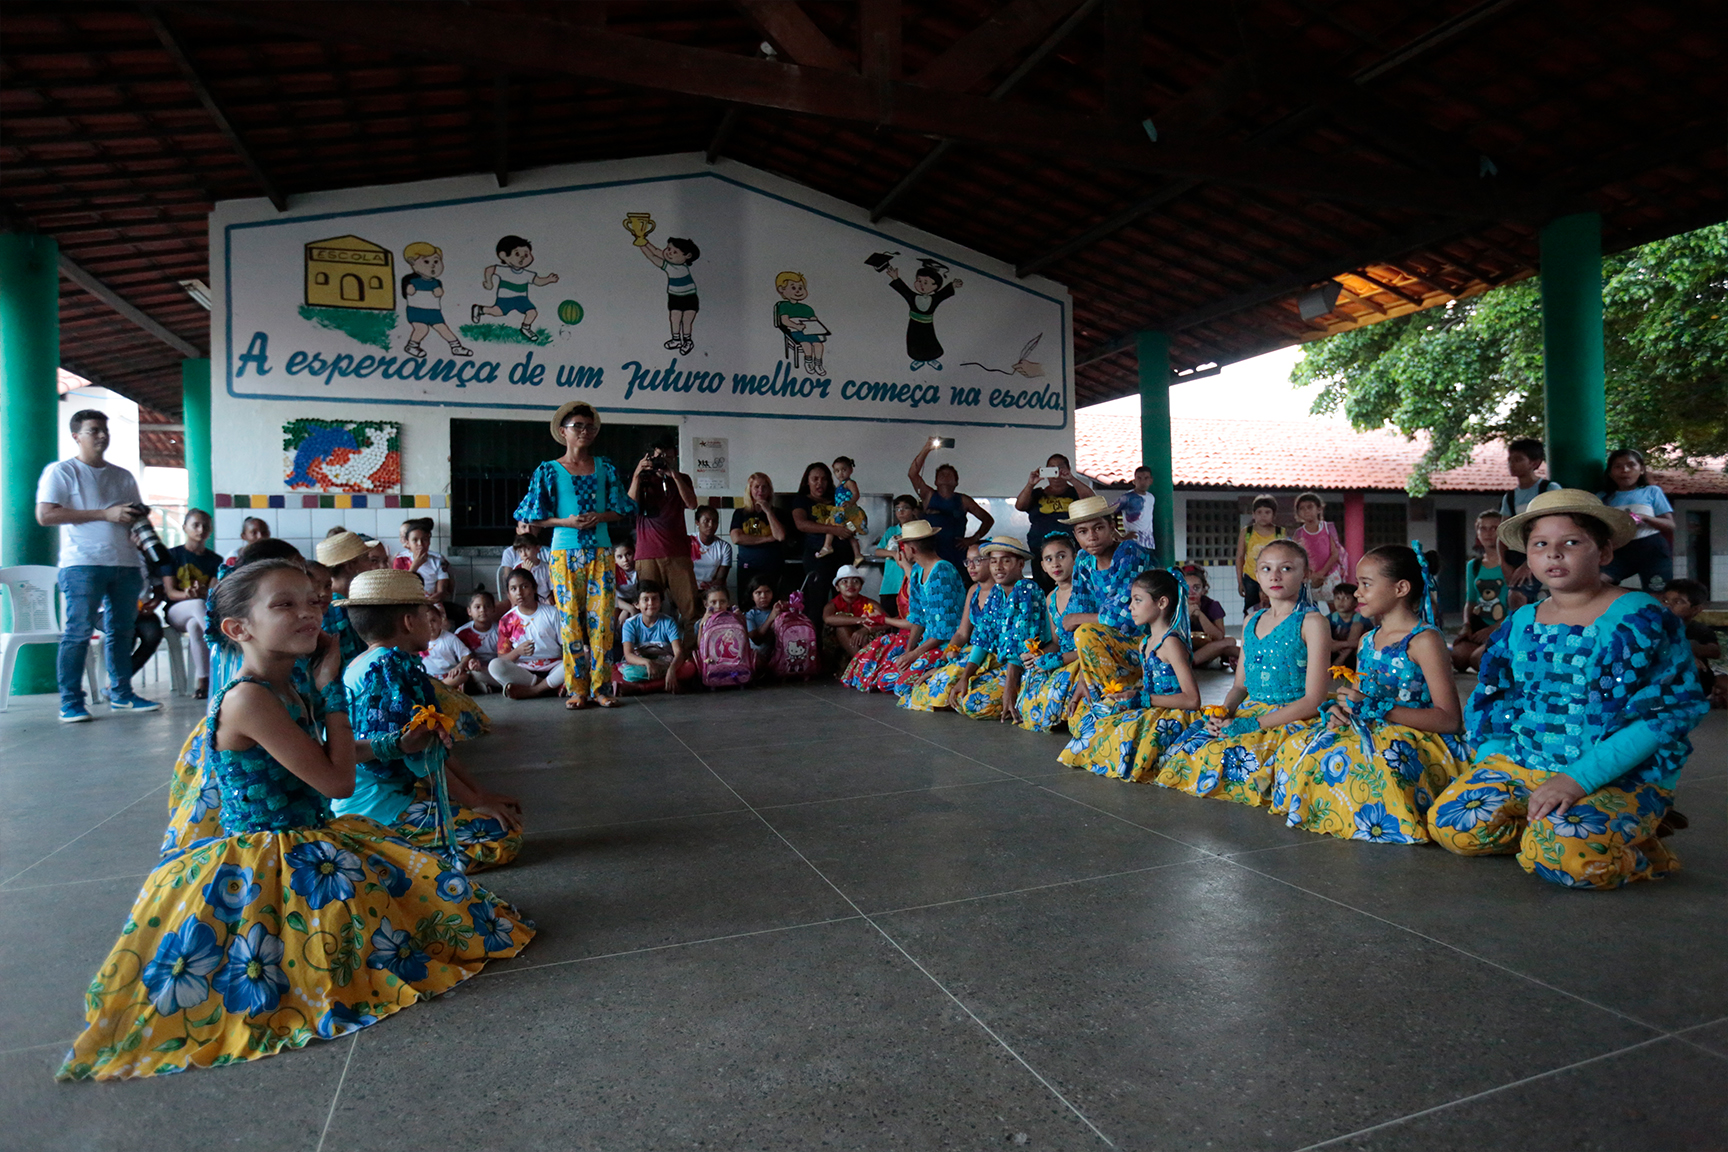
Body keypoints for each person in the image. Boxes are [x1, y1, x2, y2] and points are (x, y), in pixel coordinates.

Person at [59, 560, 531, 1080]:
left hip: (311, 831)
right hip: (268, 852)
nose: (308, 614)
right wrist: (332, 690)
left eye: (312, 602)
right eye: (285, 604)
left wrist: (397, 743)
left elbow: (324, 751)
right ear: (238, 628)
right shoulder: (249, 698)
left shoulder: (285, 684)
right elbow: (336, 782)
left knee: (432, 908)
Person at [1429, 490, 1707, 889]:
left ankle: (1636, 846)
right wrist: (1492, 761)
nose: (1554, 554)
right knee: (1453, 826)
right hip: (1523, 762)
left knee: (1569, 859)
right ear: (1528, 557)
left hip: (1613, 774)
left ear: (1605, 552)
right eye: (1540, 545)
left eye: (1571, 542)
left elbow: (1666, 714)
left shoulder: (1641, 618)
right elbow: (1496, 696)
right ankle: (1552, 831)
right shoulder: (1521, 620)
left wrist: (1578, 780)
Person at [1272, 546, 1464, 843]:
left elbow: (1450, 720)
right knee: (1296, 746)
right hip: (1371, 727)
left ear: (1401, 588)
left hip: (1415, 734)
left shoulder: (1424, 641)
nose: (1357, 593)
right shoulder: (1366, 640)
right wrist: (1342, 709)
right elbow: (1360, 696)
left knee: (1374, 763)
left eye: (1366, 584)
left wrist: (1379, 709)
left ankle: (1373, 820)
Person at [337, 568, 519, 864]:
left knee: (493, 816)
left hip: (381, 794)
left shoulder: (364, 661)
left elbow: (436, 749)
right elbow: (420, 756)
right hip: (374, 808)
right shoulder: (389, 671)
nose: (434, 623)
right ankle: (379, 854)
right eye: (426, 615)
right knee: (501, 836)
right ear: (409, 622)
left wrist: (480, 795)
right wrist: (474, 803)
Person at [1156, 539, 1330, 806]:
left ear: (1305, 574)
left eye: (1286, 568)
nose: (1275, 576)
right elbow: (1240, 686)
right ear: (1256, 574)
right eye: (1266, 568)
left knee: (1240, 762)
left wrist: (1253, 724)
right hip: (1250, 710)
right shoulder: (1252, 621)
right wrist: (1224, 712)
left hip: (1293, 717)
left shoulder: (1312, 622)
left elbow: (1314, 700)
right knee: (1192, 753)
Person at [34, 408, 160, 721]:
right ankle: (71, 702)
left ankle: (122, 694)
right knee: (78, 632)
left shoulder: (123, 475)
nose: (102, 436)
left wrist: (139, 526)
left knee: (122, 632)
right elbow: (45, 515)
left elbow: (131, 516)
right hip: (82, 563)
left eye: (105, 430)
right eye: (94, 430)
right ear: (76, 436)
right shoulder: (62, 472)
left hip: (126, 563)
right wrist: (105, 514)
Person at [514, 400, 635, 709]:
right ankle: (577, 689)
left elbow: (622, 509)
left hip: (601, 552)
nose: (584, 431)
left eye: (589, 426)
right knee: (569, 622)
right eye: (577, 426)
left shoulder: (605, 467)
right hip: (563, 554)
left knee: (603, 622)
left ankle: (602, 688)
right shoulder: (548, 470)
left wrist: (600, 517)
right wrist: (565, 522)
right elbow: (532, 516)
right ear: (562, 431)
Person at [1060, 569, 1203, 781]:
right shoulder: (1145, 643)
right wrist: (1129, 697)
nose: (1130, 607)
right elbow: (1147, 687)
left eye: (1138, 600)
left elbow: (1192, 700)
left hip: (1174, 714)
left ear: (1162, 603)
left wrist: (1143, 699)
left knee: (1127, 732)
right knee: (1098, 716)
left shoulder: (1171, 643)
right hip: (1152, 708)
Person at [1062, 495, 1157, 703]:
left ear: (1112, 526)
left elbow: (1124, 618)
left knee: (1085, 632)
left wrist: (1077, 619)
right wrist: (1083, 672)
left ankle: (1116, 700)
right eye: (1083, 532)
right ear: (1075, 536)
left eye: (1098, 528)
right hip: (1105, 644)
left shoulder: (1130, 553)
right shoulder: (1084, 561)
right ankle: (1102, 697)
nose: (1092, 537)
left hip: (1147, 643)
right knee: (1058, 690)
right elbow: (1076, 611)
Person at [951, 537, 1045, 721]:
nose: (998, 567)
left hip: (1028, 666)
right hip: (1004, 665)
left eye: (1006, 561)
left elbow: (1019, 643)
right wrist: (965, 677)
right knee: (959, 694)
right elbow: (983, 636)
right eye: (993, 561)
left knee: (975, 705)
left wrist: (1010, 690)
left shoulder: (1027, 589)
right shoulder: (997, 592)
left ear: (1020, 564)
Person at [1013, 534, 1097, 731]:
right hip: (1064, 659)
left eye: (1061, 556)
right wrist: (1039, 655)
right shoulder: (1050, 598)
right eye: (1049, 559)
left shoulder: (1088, 589)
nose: (1055, 564)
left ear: (1075, 558)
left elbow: (1099, 638)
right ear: (1043, 566)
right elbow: (1056, 643)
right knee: (1032, 679)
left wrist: (1060, 659)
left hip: (1088, 658)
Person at [903, 542, 998, 712]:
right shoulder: (973, 590)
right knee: (925, 687)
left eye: (978, 560)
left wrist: (959, 671)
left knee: (965, 700)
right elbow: (961, 633)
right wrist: (944, 660)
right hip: (972, 652)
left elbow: (985, 640)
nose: (971, 566)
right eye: (968, 562)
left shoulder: (1001, 591)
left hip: (993, 655)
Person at [880, 520, 966, 695]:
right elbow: (918, 617)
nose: (902, 551)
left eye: (903, 546)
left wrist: (915, 654)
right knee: (884, 680)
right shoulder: (917, 570)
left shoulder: (941, 571)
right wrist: (909, 651)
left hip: (948, 646)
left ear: (912, 549)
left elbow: (945, 631)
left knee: (901, 687)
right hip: (927, 644)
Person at [629, 440, 700, 628]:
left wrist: (674, 475)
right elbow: (629, 506)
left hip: (678, 552)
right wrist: (637, 473)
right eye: (659, 456)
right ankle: (650, 644)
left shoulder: (682, 479)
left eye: (668, 456)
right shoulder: (643, 479)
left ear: (675, 457)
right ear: (651, 456)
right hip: (648, 553)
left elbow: (692, 504)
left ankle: (689, 645)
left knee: (690, 608)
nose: (663, 460)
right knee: (648, 608)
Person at [161, 507, 221, 697]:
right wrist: (189, 594)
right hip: (176, 611)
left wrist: (202, 592)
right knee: (197, 605)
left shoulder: (215, 560)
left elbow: (212, 594)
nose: (201, 530)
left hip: (199, 612)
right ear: (184, 527)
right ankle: (221, 644)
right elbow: (170, 593)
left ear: (210, 530)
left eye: (205, 526)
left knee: (195, 625)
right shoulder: (171, 555)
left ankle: (203, 682)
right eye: (195, 525)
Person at [907, 440, 993, 571]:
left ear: (956, 482)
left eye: (948, 475)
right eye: (941, 475)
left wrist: (973, 538)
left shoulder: (964, 500)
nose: (944, 477)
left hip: (956, 552)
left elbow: (988, 519)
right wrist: (927, 448)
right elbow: (912, 474)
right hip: (932, 551)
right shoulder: (929, 495)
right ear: (935, 481)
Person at [1598, 448, 1675, 593]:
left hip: (1651, 548)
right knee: (1597, 583)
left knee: (1657, 593)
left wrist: (1645, 517)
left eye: (1631, 465)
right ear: (1610, 472)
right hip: (1618, 550)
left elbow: (1670, 525)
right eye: (1618, 466)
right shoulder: (1602, 497)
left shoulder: (1652, 491)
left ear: (1641, 470)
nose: (1625, 470)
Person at [1497, 437, 1562, 604]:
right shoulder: (1510, 497)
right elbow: (1503, 532)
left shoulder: (1549, 489)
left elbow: (1558, 527)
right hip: (1518, 552)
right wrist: (1503, 563)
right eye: (1510, 460)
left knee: (1517, 597)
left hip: (1546, 551)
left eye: (1518, 459)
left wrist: (1529, 563)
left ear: (1535, 463)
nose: (1511, 464)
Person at [1015, 453, 1096, 587]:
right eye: (1051, 468)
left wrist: (1071, 479)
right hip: (1040, 548)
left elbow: (1091, 500)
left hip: (1071, 549)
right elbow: (1020, 506)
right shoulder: (1038, 493)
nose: (1056, 472)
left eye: (1060, 468)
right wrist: (1030, 484)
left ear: (1068, 469)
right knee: (1043, 585)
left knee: (1074, 583)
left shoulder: (1075, 492)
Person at [488, 568, 568, 700]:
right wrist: (517, 652)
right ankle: (550, 687)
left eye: (524, 587)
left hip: (554, 667)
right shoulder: (506, 620)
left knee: (581, 655)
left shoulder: (552, 613)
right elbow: (502, 658)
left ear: (534, 588)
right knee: (494, 665)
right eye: (513, 589)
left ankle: (534, 690)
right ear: (508, 594)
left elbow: (566, 647)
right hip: (525, 672)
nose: (519, 593)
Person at [790, 461, 856, 607]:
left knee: (845, 601)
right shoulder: (801, 500)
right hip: (817, 556)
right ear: (807, 481)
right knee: (817, 601)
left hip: (843, 555)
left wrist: (853, 527)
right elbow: (801, 524)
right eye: (815, 479)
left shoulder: (837, 498)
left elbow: (852, 517)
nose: (820, 483)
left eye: (824, 479)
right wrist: (833, 530)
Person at [315, 531, 380, 672]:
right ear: (350, 566)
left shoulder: (331, 602)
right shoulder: (339, 607)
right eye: (366, 558)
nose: (371, 565)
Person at [619, 580, 696, 692]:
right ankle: (663, 684)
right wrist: (647, 662)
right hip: (641, 664)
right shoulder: (630, 624)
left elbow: (679, 652)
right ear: (636, 604)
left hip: (665, 662)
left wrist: (672, 670)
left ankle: (641, 687)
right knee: (630, 672)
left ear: (661, 602)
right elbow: (628, 655)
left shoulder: (668, 622)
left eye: (655, 599)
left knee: (690, 668)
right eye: (645, 599)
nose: (651, 603)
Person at [729, 471, 790, 597]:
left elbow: (780, 536)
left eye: (764, 487)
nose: (760, 490)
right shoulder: (740, 513)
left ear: (769, 490)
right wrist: (767, 538)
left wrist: (768, 511)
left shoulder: (778, 513)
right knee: (747, 602)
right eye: (756, 487)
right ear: (750, 490)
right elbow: (737, 538)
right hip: (748, 567)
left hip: (773, 567)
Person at [1662, 580, 1720, 704]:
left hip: (1696, 685)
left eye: (1678, 602)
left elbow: (1715, 651)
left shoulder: (1698, 629)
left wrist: (1691, 648)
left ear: (1696, 609)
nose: (1668, 606)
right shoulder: (1656, 627)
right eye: (1665, 601)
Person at [1234, 495, 1285, 617]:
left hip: (1273, 577)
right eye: (1259, 512)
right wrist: (1240, 581)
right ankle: (1250, 628)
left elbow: (1284, 557)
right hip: (1251, 578)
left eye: (1267, 512)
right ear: (1253, 514)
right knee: (1250, 610)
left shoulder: (1279, 532)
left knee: (1275, 608)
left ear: (1274, 515)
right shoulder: (1247, 532)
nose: (1263, 515)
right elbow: (1240, 557)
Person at [823, 565, 888, 662]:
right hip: (840, 642)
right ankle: (861, 662)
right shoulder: (832, 605)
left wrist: (866, 630)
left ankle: (864, 663)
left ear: (861, 587)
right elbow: (828, 619)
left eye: (855, 581)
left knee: (865, 637)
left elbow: (887, 621)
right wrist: (862, 620)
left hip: (866, 638)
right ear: (837, 587)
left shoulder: (869, 603)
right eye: (844, 581)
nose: (850, 585)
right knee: (842, 628)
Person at [1182, 566, 1237, 671]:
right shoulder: (1175, 607)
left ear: (1204, 590)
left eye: (1196, 588)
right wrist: (1187, 615)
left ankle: (1192, 661)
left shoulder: (1212, 605)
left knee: (1230, 641)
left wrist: (1199, 614)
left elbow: (1219, 637)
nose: (1191, 592)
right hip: (1183, 649)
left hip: (1208, 649)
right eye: (1186, 588)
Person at [1292, 492, 1346, 600]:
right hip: (1309, 577)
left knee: (1332, 604)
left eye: (1310, 507)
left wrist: (1321, 573)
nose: (1306, 511)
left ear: (1319, 509)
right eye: (1302, 508)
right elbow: (1296, 556)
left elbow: (1335, 554)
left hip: (1330, 575)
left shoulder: (1328, 528)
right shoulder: (1299, 533)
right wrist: (1311, 574)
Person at [814, 456, 866, 563]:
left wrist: (851, 502)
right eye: (837, 471)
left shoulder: (849, 483)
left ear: (850, 470)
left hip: (846, 512)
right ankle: (857, 554)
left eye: (844, 470)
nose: (840, 473)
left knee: (831, 526)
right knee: (850, 534)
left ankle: (827, 546)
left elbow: (856, 494)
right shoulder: (839, 485)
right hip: (843, 513)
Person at [872, 494, 921, 603]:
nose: (901, 512)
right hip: (890, 585)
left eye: (905, 508)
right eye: (897, 509)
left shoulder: (918, 530)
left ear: (914, 511)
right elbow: (878, 551)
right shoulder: (892, 531)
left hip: (911, 583)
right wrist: (893, 554)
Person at [392, 519, 451, 604]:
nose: (420, 544)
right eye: (415, 540)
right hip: (407, 604)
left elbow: (441, 592)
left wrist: (427, 603)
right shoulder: (400, 559)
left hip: (431, 603)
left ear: (429, 541)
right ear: (407, 543)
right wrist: (415, 564)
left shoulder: (438, 561)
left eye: (425, 539)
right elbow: (399, 588)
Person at [456, 588, 502, 693]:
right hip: (474, 670)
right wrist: (470, 662)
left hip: (495, 669)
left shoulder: (500, 630)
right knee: (467, 674)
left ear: (493, 609)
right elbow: (459, 657)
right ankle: (489, 686)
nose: (482, 610)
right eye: (477, 607)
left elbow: (505, 657)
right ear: (469, 611)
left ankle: (485, 686)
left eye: (487, 606)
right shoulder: (462, 632)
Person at [1325, 583, 1370, 668]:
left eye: (1346, 598)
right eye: (1337, 598)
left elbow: (1357, 642)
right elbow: (1329, 644)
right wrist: (1347, 644)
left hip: (1354, 654)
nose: (1341, 601)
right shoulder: (1330, 619)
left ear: (1355, 602)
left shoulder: (1361, 619)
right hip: (1335, 652)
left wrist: (1339, 648)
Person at [691, 506, 733, 596]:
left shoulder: (724, 547)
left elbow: (721, 578)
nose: (710, 525)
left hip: (712, 590)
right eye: (706, 521)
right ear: (697, 522)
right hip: (688, 588)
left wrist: (708, 590)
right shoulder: (687, 542)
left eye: (714, 521)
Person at [1118, 466, 1157, 553]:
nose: (1142, 482)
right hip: (1133, 544)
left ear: (1150, 481)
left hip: (1148, 544)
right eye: (1139, 478)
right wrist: (1121, 537)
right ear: (1134, 481)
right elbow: (1108, 513)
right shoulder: (1127, 497)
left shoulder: (1151, 497)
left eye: (1146, 478)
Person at [506, 532, 554, 603]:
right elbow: (517, 587)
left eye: (528, 549)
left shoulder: (546, 568)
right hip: (526, 601)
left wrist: (550, 598)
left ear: (537, 549)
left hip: (544, 601)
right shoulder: (518, 568)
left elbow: (552, 588)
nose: (524, 554)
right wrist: (525, 572)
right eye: (520, 551)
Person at [744, 577, 779, 671]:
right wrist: (771, 618)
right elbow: (757, 640)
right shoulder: (749, 615)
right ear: (752, 596)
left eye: (767, 592)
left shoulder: (777, 610)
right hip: (757, 657)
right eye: (758, 593)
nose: (763, 596)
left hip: (777, 654)